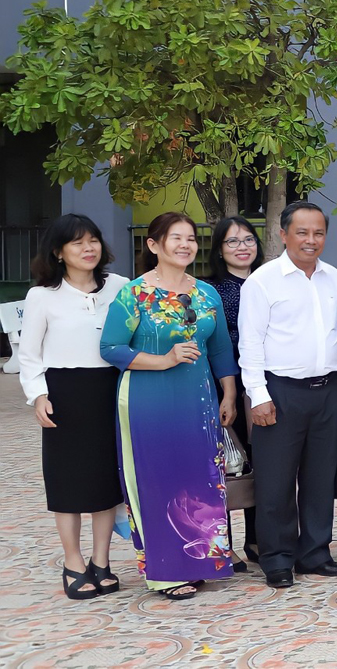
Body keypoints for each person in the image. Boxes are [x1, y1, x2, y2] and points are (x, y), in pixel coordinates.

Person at [98, 212, 239, 600]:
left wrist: (228, 393)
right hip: (149, 400)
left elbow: (220, 348)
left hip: (199, 400)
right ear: (154, 245)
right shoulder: (134, 294)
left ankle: (202, 561)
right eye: (175, 237)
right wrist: (164, 359)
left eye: (191, 238)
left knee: (200, 479)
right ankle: (166, 571)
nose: (184, 245)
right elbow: (111, 348)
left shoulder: (206, 293)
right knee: (157, 480)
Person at [239, 201, 337, 589]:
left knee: (321, 478)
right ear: (283, 234)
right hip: (280, 392)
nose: (311, 240)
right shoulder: (263, 281)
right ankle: (277, 557)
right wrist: (258, 395)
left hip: (327, 391)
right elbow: (250, 343)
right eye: (302, 232)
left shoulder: (334, 278)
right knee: (276, 482)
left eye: (318, 232)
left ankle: (315, 553)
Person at [21, 214, 128, 600]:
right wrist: (39, 394)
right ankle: (73, 562)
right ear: (58, 252)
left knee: (105, 481)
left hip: (111, 390)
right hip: (65, 393)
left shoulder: (120, 286)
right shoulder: (42, 296)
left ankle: (102, 561)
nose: (89, 248)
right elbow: (30, 355)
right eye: (78, 243)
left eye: (94, 240)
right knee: (67, 482)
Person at [205, 216, 261, 567]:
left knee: (260, 464)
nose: (243, 247)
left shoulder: (270, 281)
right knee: (225, 464)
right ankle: (222, 544)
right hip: (224, 383)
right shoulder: (210, 289)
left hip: (264, 384)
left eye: (248, 239)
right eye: (232, 242)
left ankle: (256, 540)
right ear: (219, 250)